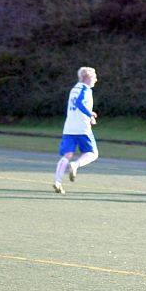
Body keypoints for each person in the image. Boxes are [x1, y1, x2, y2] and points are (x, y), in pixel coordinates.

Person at [54, 67, 99, 195]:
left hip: (69, 128)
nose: (96, 80)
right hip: (82, 128)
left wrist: (88, 115)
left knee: (67, 155)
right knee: (93, 153)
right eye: (94, 77)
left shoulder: (74, 88)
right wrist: (90, 114)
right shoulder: (85, 89)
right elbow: (79, 103)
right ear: (88, 78)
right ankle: (75, 165)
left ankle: (57, 182)